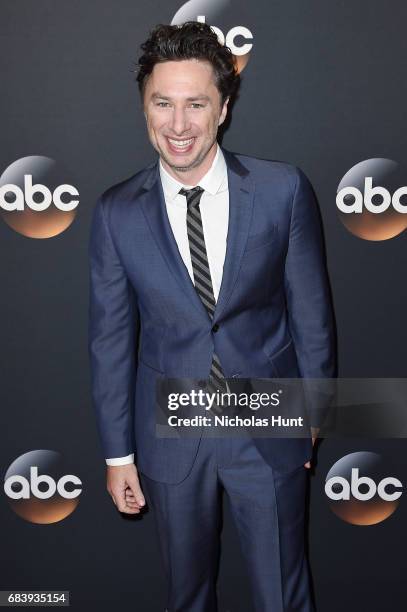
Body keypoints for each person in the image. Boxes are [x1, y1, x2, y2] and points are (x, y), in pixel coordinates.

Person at [88, 20, 336, 612]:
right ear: (145, 107)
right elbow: (111, 340)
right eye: (163, 104)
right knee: (187, 597)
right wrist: (117, 455)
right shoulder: (116, 212)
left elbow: (312, 316)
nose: (178, 126)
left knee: (283, 594)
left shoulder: (282, 191)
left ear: (222, 108)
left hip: (269, 427)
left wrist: (314, 415)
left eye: (196, 104)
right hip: (172, 435)